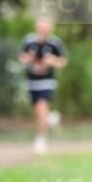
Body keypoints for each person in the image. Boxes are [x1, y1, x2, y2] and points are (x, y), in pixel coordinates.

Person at [19, 16, 67, 154]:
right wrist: (28, 59)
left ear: (50, 28)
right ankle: (51, 119)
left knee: (41, 109)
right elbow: (21, 58)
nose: (43, 30)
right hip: (31, 81)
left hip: (47, 82)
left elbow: (63, 62)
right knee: (37, 112)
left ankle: (41, 139)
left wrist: (53, 62)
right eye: (41, 27)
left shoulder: (55, 43)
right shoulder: (29, 40)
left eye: (46, 27)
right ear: (37, 27)